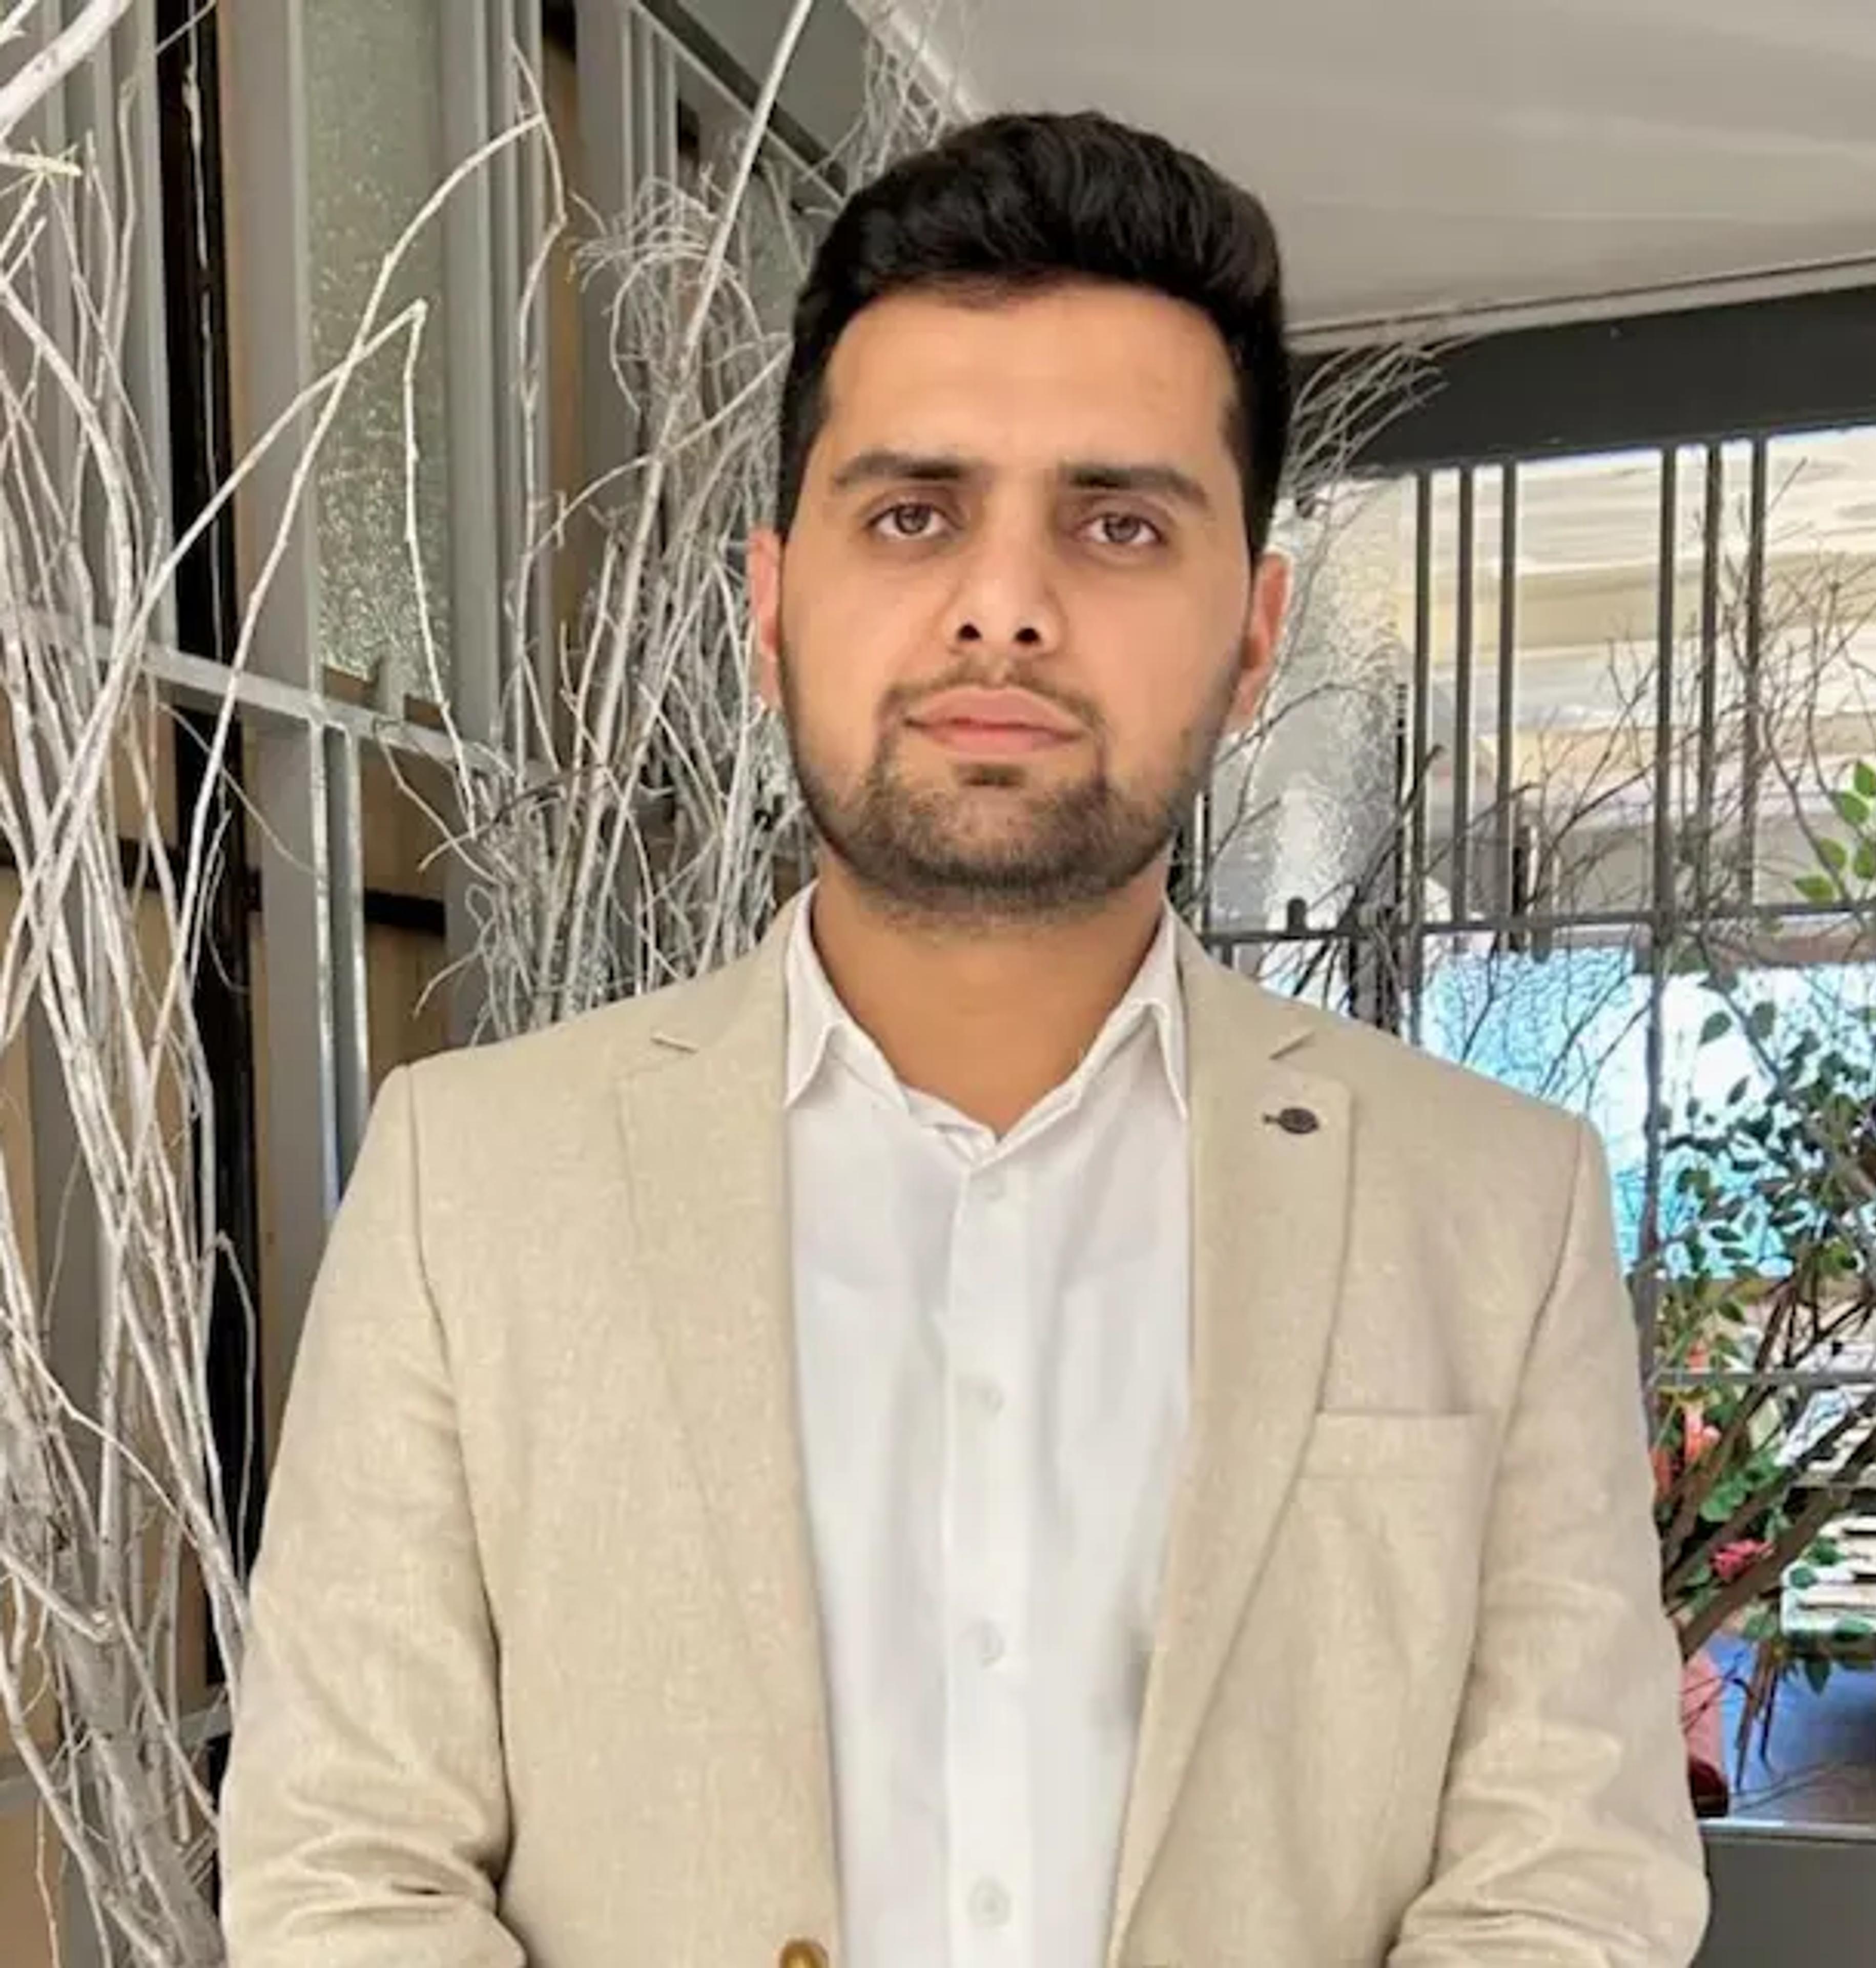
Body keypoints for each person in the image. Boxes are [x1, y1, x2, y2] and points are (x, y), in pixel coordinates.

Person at [218, 109, 1709, 1968]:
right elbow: (347, 1871)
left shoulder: (1499, 1210)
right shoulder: (469, 1183)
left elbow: (1574, 1876)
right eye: (913, 513)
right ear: (772, 605)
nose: (1005, 604)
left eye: (1118, 522)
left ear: (1255, 634)